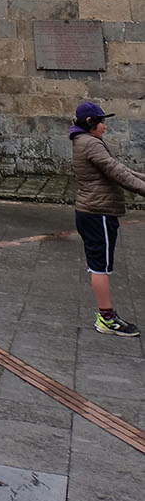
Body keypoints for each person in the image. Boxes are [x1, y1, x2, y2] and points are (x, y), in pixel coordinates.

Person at [70, 100, 145, 335]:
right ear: (90, 122)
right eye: (102, 122)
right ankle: (107, 318)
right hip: (96, 212)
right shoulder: (90, 144)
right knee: (99, 266)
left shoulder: (86, 141)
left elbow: (117, 167)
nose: (105, 126)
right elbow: (116, 172)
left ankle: (106, 315)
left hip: (95, 211)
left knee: (100, 264)